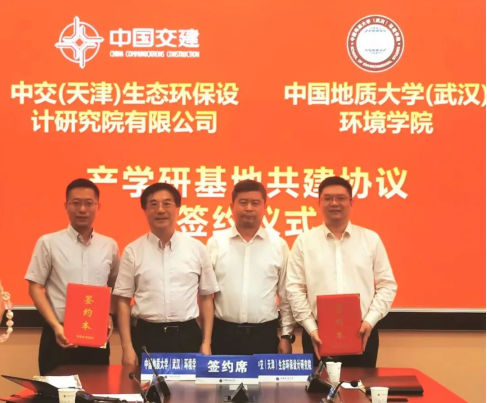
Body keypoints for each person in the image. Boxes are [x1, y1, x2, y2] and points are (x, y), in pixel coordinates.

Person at [286, 176, 398, 367]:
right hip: (317, 334)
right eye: (328, 198)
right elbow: (294, 288)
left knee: (361, 386)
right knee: (319, 386)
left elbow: (387, 285)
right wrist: (311, 328)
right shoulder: (304, 241)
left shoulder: (371, 239)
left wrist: (370, 321)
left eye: (341, 198)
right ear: (319, 202)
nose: (334, 203)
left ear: (351, 202)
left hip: (362, 332)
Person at [114, 183, 219, 365]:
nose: (160, 210)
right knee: (145, 384)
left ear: (178, 208)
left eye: (167, 203)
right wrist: (127, 347)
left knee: (188, 384)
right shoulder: (133, 251)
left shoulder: (196, 248)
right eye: (153, 204)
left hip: (187, 336)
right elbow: (123, 301)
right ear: (145, 211)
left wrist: (206, 342)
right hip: (147, 335)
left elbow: (206, 298)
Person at [25, 179, 120, 375]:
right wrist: (55, 326)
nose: (82, 209)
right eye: (76, 203)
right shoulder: (48, 242)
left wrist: (109, 315)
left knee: (95, 388)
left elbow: (116, 287)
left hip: (96, 336)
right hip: (59, 334)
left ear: (98, 206)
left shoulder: (109, 245)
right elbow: (35, 287)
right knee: (55, 391)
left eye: (89, 203)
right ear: (66, 206)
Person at [207, 180, 296, 355]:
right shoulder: (216, 243)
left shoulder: (278, 245)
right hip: (223, 334)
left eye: (255, 203)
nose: (249, 208)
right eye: (243, 202)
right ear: (232, 207)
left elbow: (286, 296)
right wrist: (206, 340)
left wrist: (286, 336)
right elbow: (204, 296)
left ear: (265, 207)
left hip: (264, 335)